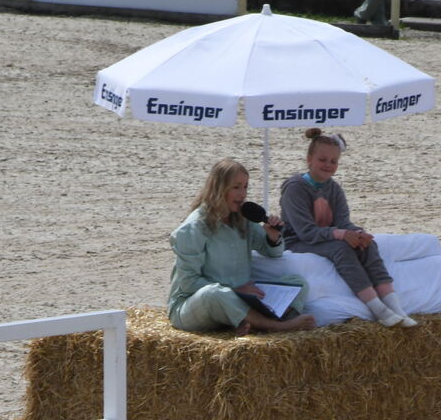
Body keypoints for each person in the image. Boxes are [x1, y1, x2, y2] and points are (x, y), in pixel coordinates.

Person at [279, 128, 416, 327]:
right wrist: (342, 235)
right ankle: (378, 308)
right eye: (322, 160)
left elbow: (343, 221)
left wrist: (358, 233)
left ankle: (396, 307)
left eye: (333, 161)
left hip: (327, 235)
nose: (328, 165)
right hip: (298, 241)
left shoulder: (334, 188)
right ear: (309, 159)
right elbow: (306, 232)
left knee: (367, 245)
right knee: (341, 248)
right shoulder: (295, 189)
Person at [169, 158, 316, 334]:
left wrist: (273, 237)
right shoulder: (193, 228)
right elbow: (188, 283)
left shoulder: (242, 218)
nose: (243, 194)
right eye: (236, 187)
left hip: (242, 298)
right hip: (192, 305)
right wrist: (235, 290)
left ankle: (252, 322)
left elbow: (273, 253)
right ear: (219, 188)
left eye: (246, 187)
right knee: (214, 294)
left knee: (297, 283)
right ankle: (277, 326)